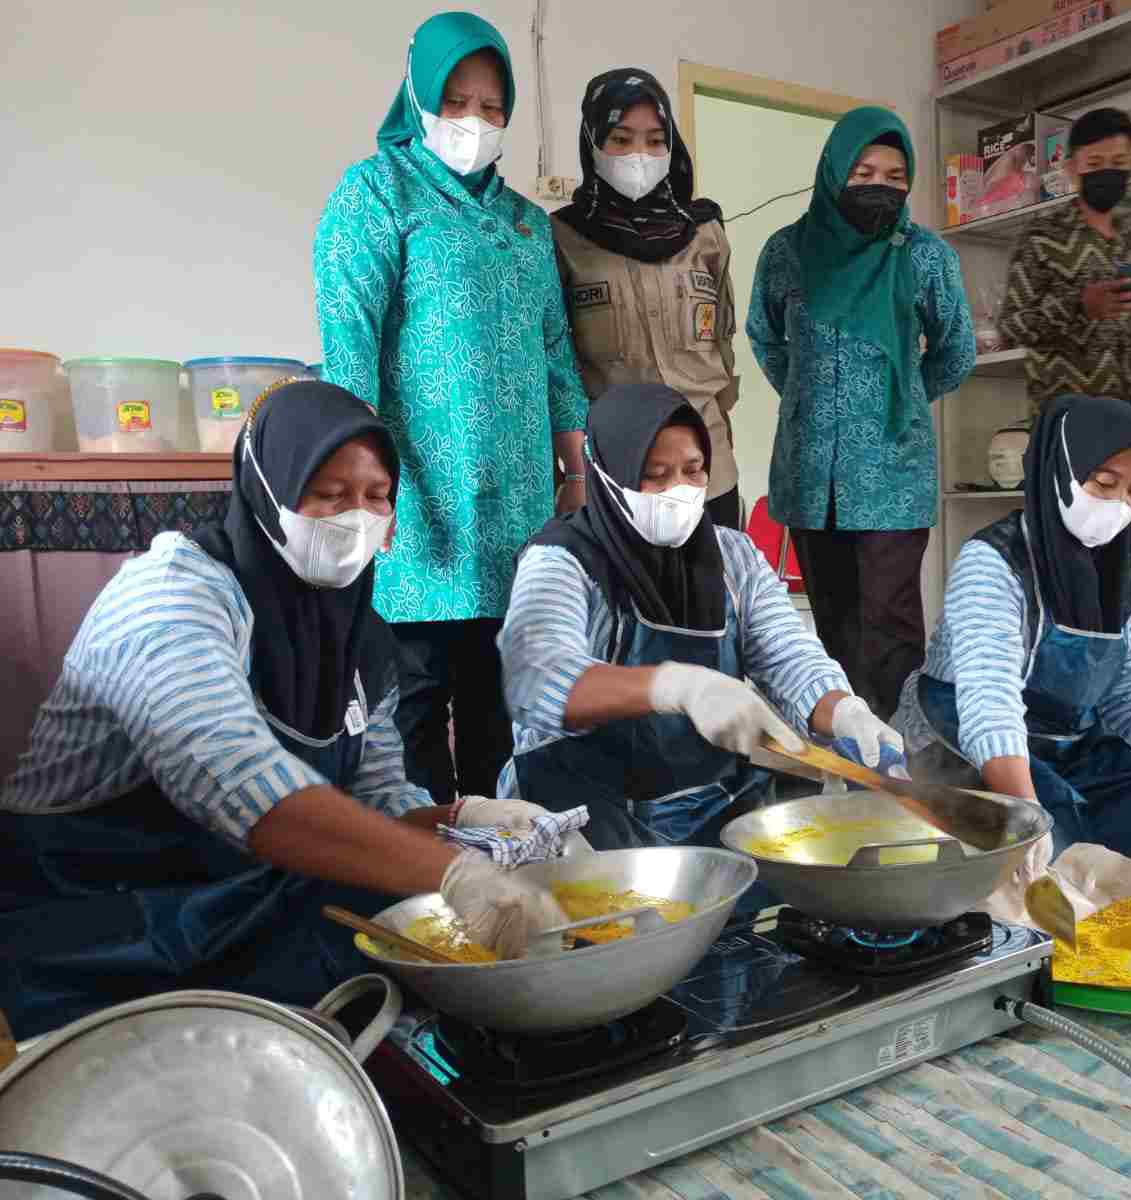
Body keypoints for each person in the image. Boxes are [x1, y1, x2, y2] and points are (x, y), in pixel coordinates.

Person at [0, 382, 567, 1040]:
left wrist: (470, 819)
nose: (356, 517)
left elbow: (377, 801)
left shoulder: (361, 641)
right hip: (92, 929)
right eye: (328, 494)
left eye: (377, 497)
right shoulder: (171, 595)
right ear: (268, 491)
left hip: (235, 903)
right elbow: (235, 779)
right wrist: (454, 873)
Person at [314, 12, 587, 807]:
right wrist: (366, 484)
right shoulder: (374, 193)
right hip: (421, 497)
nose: (475, 121)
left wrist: (575, 474)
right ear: (420, 97)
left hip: (521, 501)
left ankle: (510, 857)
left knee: (507, 696)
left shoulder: (528, 224)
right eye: (457, 101)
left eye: (493, 107)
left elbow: (554, 356)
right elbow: (350, 347)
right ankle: (426, 876)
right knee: (417, 702)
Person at [499, 383, 904, 855]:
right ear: (610, 476)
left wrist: (846, 712)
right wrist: (677, 688)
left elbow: (791, 658)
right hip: (585, 819)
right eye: (656, 475)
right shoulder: (560, 561)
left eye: (693, 471)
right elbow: (536, 678)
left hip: (708, 811)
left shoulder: (732, 555)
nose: (680, 490)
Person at [894, 394, 1131, 874]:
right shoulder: (993, 561)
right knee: (1052, 842)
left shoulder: (1110, 568)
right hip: (969, 744)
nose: (1119, 506)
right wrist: (1026, 818)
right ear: (1058, 471)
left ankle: (1096, 821)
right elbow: (990, 707)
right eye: (1104, 483)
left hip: (1070, 743)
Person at [748, 106, 976, 718]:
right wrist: (806, 398)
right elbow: (764, 337)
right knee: (833, 623)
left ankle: (904, 759)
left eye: (896, 175)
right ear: (833, 171)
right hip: (808, 469)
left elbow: (957, 350)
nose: (881, 185)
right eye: (864, 170)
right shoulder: (787, 252)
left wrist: (899, 399)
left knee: (890, 624)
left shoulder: (924, 256)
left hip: (894, 472)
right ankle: (849, 745)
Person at [552, 68, 744, 530]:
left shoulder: (705, 233)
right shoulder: (562, 237)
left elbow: (722, 343)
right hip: (617, 473)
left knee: (714, 599)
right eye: (620, 139)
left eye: (656, 140)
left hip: (707, 471)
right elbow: (557, 362)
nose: (640, 154)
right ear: (593, 143)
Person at [998, 107, 1131, 425]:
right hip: (1062, 428)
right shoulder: (1041, 237)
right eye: (1095, 163)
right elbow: (1011, 328)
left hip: (1124, 428)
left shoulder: (1128, 243)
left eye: (1119, 163)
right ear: (1071, 169)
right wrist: (1078, 305)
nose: (1108, 172)